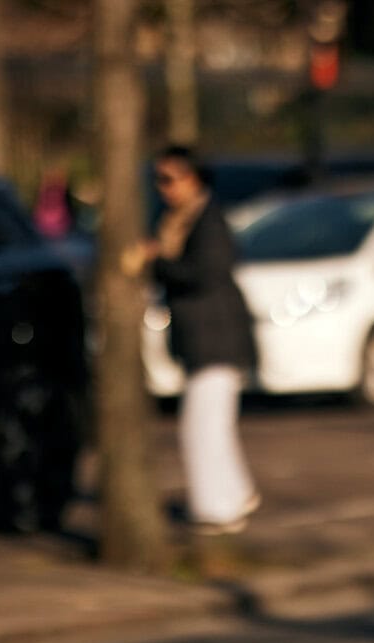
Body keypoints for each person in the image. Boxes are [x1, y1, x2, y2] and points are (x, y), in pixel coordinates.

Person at [121, 146, 260, 534]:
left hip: (216, 337)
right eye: (158, 179)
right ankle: (234, 494)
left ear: (194, 178)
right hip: (202, 338)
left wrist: (155, 261)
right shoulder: (177, 221)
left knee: (202, 426)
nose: (163, 188)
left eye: (170, 178)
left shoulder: (207, 221)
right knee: (213, 423)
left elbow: (203, 273)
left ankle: (218, 509)